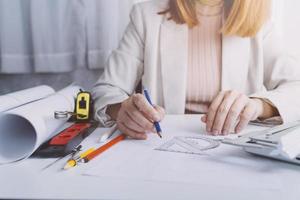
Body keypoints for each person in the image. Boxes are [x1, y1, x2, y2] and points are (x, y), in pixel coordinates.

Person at [92, 0, 300, 140]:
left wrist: (258, 106)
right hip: (163, 148)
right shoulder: (146, 14)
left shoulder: (260, 22)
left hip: (232, 149)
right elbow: (107, 89)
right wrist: (121, 110)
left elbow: (296, 87)